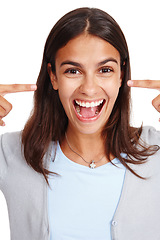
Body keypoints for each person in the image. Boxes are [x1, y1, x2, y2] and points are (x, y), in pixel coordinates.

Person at [0, 7, 160, 240]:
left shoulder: (155, 151)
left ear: (121, 75)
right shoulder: (12, 153)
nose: (89, 88)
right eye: (73, 71)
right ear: (53, 76)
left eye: (105, 70)